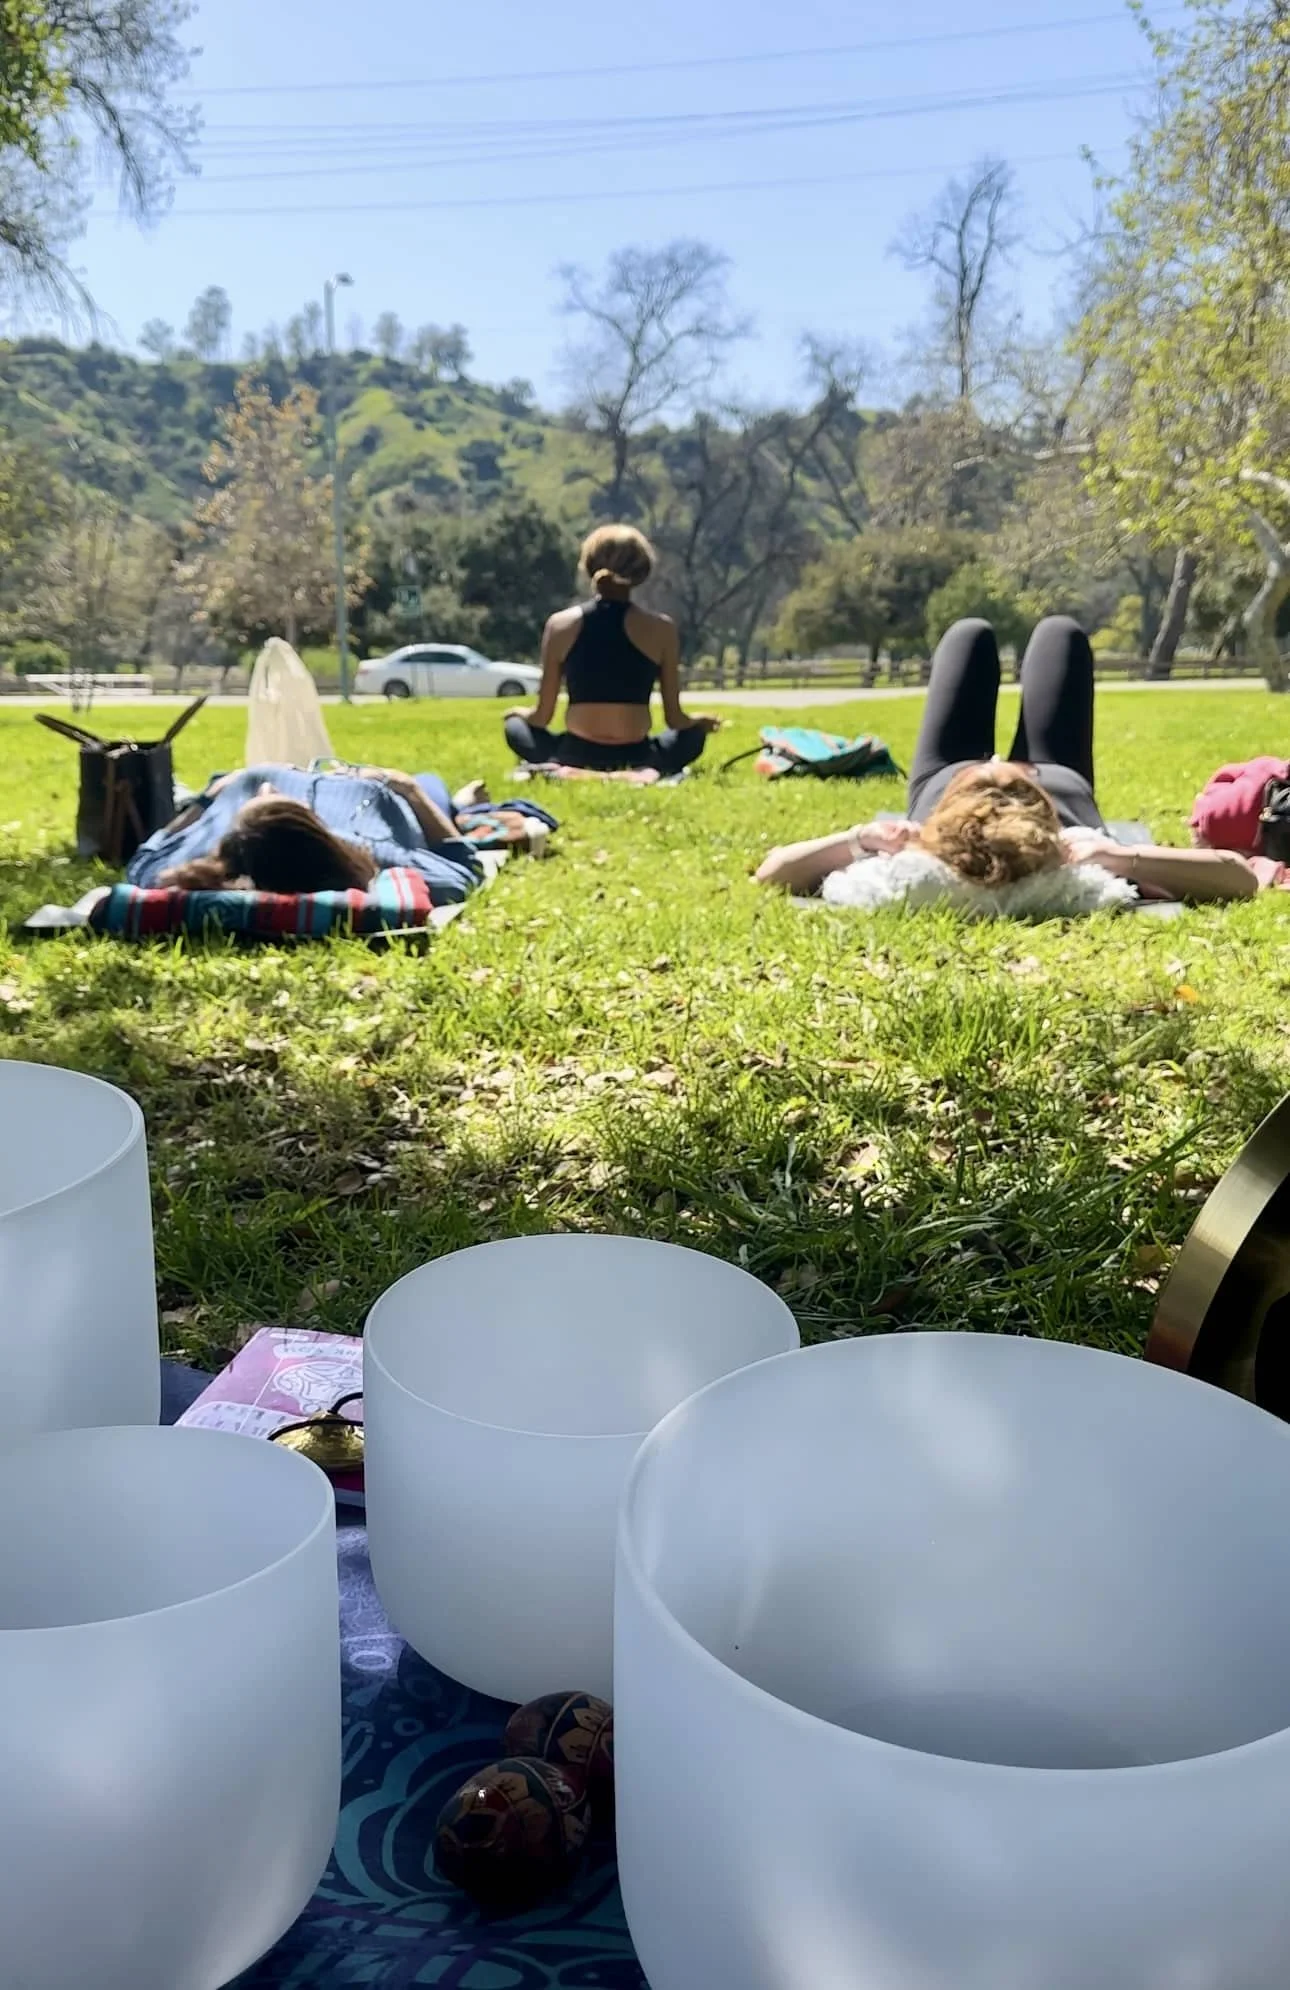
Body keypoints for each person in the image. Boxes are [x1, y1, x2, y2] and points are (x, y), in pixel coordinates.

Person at [755, 617, 1259, 910]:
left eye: (982, 777)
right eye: (1008, 779)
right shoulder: (1073, 850)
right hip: (1062, 780)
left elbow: (773, 872)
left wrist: (861, 839)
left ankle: (974, 776)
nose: (997, 760)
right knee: (1061, 634)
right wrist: (1119, 858)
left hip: (949, 786)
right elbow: (1239, 878)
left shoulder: (924, 851)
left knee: (969, 635)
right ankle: (1003, 785)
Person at [503, 524, 720, 775]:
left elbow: (542, 717)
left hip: (574, 753)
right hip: (638, 755)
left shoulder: (560, 624)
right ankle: (642, 769)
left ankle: (562, 767)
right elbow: (675, 719)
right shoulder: (662, 629)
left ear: (588, 566)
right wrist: (697, 722)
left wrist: (521, 715)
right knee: (693, 735)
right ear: (642, 571)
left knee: (515, 727)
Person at [127, 764, 488, 901]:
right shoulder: (374, 852)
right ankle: (460, 803)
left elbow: (145, 859)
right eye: (272, 797)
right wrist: (409, 788)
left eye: (259, 798)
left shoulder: (205, 854)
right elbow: (463, 867)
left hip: (231, 779)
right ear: (312, 826)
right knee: (432, 783)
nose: (266, 787)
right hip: (377, 787)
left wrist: (207, 799)